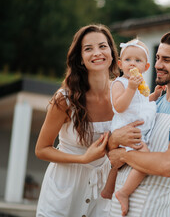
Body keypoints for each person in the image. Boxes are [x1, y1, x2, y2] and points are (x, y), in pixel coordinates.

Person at [35, 24, 144, 217]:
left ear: (112, 53)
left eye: (102, 46)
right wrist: (83, 159)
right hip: (63, 188)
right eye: (88, 49)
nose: (97, 53)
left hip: (104, 189)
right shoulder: (65, 99)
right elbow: (42, 149)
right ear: (81, 59)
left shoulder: (125, 96)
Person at [108, 32, 170, 216]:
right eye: (157, 58)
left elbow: (168, 165)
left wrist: (122, 154)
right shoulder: (150, 104)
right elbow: (112, 145)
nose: (158, 65)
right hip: (115, 210)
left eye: (167, 60)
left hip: (151, 210)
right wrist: (115, 139)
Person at [100, 39, 165, 216]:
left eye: (138, 61)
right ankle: (124, 192)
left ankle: (108, 190)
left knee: (117, 165)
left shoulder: (141, 85)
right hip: (126, 130)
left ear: (146, 66)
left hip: (138, 130)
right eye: (128, 60)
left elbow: (142, 104)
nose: (132, 64)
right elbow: (119, 106)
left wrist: (155, 95)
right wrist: (131, 87)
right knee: (145, 159)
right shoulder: (119, 83)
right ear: (120, 64)